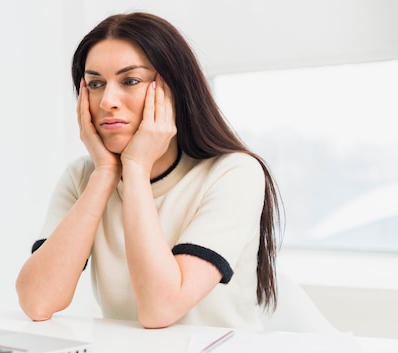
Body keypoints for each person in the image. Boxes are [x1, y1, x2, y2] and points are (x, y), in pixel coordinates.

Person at [16, 12, 282, 330]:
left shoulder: (233, 174)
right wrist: (104, 174)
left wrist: (137, 168)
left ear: (174, 89)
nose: (107, 101)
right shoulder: (82, 177)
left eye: (130, 81)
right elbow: (37, 302)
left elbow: (160, 309)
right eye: (95, 84)